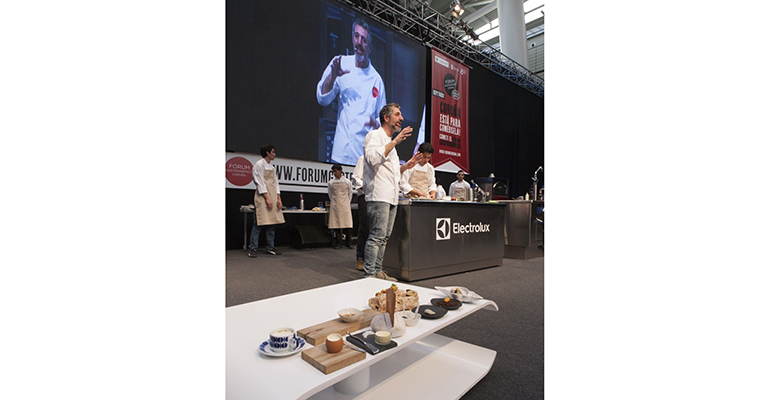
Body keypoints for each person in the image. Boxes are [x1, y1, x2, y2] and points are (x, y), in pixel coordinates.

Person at [363, 103, 422, 281]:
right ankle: (369, 275)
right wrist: (395, 141)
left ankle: (378, 271)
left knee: (385, 237)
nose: (401, 118)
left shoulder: (390, 145)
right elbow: (373, 158)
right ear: (386, 118)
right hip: (378, 194)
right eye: (397, 114)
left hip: (391, 196)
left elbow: (391, 171)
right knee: (376, 236)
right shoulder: (374, 135)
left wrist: (406, 166)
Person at [317, 18, 387, 166]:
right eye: (356, 36)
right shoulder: (340, 63)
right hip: (341, 153)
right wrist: (333, 76)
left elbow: (383, 122)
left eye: (364, 39)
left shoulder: (376, 80)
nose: (359, 42)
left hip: (365, 156)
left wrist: (377, 125)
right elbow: (322, 99)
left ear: (370, 47)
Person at [248, 144, 284, 257]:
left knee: (271, 223)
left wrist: (278, 198)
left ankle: (270, 247)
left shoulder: (272, 167)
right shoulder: (259, 165)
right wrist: (267, 198)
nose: (274, 154)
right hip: (263, 196)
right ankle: (252, 249)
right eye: (273, 152)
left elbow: (275, 183)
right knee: (259, 223)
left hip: (272, 195)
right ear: (267, 153)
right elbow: (259, 183)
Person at [327, 164, 353, 249]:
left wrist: (346, 202)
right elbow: (330, 194)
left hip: (345, 205)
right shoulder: (331, 182)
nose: (334, 173)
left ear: (340, 171)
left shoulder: (347, 182)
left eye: (336, 171)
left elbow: (350, 193)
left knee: (347, 224)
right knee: (337, 225)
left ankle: (348, 243)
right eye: (333, 171)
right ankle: (339, 243)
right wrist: (334, 202)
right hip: (335, 204)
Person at [351, 155, 367, 271]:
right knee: (365, 227)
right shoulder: (363, 159)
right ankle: (360, 257)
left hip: (379, 197)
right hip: (365, 196)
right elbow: (356, 177)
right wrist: (368, 187)